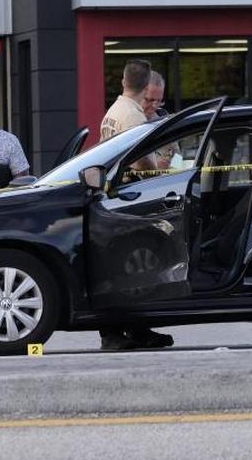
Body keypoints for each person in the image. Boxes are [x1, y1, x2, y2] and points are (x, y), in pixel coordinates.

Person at [97, 60, 173, 351]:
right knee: (130, 269)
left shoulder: (114, 112)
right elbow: (143, 163)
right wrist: (160, 174)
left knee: (130, 268)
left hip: (115, 197)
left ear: (123, 82)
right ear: (144, 88)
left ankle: (136, 329)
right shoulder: (134, 117)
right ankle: (117, 333)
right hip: (130, 199)